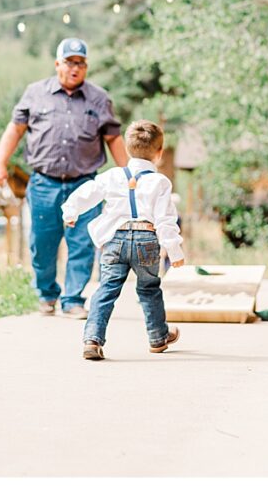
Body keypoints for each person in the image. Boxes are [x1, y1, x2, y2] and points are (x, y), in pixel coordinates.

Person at [0, 38, 127, 318]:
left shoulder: (99, 98)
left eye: (81, 63)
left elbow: (114, 139)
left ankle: (73, 299)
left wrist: (130, 176)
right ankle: (47, 294)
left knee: (82, 243)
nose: (75, 68)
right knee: (41, 244)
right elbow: (15, 130)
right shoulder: (35, 93)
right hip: (43, 183)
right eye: (70, 62)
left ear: (86, 67)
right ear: (57, 64)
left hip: (85, 184)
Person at [60, 120, 185, 360]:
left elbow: (88, 192)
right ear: (159, 153)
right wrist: (175, 251)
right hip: (146, 239)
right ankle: (158, 337)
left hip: (115, 240)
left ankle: (92, 339)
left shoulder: (112, 176)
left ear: (127, 150)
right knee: (149, 289)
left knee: (106, 288)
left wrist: (70, 212)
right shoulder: (160, 182)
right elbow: (166, 220)